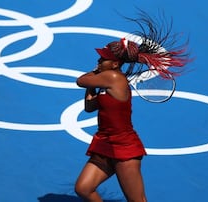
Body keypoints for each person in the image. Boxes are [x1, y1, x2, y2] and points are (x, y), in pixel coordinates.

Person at [74, 13, 190, 202]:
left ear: (115, 64)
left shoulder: (113, 78)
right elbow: (89, 107)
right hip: (104, 144)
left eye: (103, 59)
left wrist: (94, 75)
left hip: (124, 148)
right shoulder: (107, 81)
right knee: (84, 188)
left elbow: (81, 80)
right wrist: (93, 81)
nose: (98, 61)